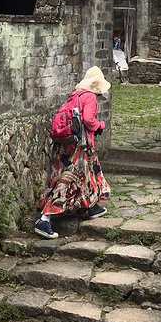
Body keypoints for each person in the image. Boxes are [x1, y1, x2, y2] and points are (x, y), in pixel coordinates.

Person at [35, 66, 112, 239]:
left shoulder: (75, 95)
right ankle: (45, 218)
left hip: (65, 142)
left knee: (87, 174)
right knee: (69, 177)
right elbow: (88, 120)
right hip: (80, 144)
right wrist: (100, 125)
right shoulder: (90, 97)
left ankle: (91, 206)